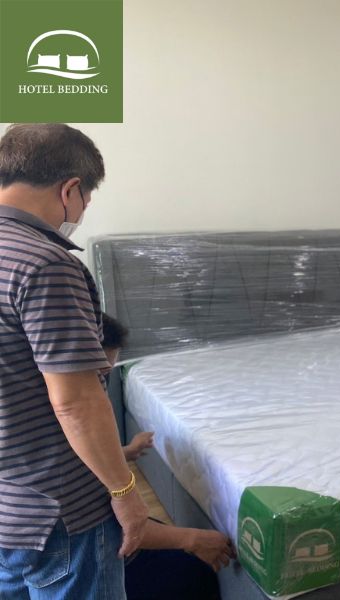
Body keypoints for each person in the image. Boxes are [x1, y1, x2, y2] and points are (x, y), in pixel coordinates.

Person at [0, 123, 148, 598]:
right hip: (58, 511)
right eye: (86, 199)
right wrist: (125, 492)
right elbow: (76, 402)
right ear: (70, 190)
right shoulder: (45, 263)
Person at [99, 312, 235, 599]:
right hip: (89, 555)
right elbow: (106, 531)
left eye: (107, 376)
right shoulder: (67, 420)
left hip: (96, 534)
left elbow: (86, 462)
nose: (102, 387)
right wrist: (192, 538)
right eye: (100, 375)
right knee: (195, 574)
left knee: (160, 534)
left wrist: (126, 452)